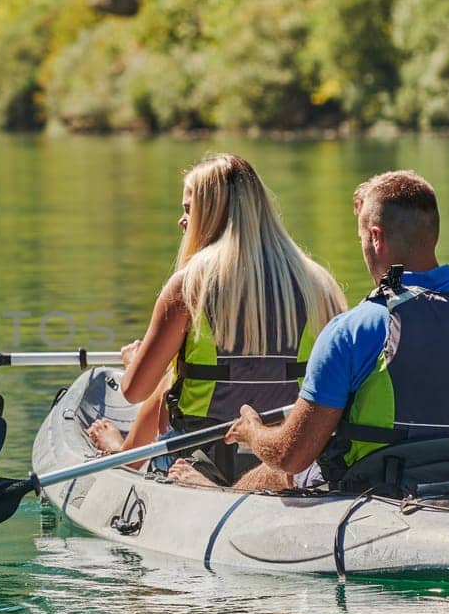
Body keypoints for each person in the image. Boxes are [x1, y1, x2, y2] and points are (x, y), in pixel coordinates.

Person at [224, 170, 449, 492]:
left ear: (376, 237)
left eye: (361, 237)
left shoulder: (353, 330)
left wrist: (253, 432)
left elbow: (292, 456)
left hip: (379, 492)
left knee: (273, 474)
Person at [85, 154, 347, 489]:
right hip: (289, 453)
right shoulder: (319, 285)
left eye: (188, 209)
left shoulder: (190, 285)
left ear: (211, 212)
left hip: (204, 456)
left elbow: (135, 391)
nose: (182, 221)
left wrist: (137, 362)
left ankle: (125, 455)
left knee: (171, 381)